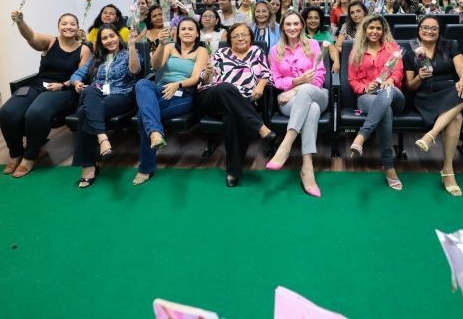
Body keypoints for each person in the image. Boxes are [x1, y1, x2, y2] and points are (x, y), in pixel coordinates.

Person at [0, 11, 91, 177]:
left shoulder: (84, 50)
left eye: (72, 24)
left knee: (36, 113)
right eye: (64, 23)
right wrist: (21, 22)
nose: (68, 27)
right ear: (58, 26)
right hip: (39, 85)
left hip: (65, 90)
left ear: (78, 27)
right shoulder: (50, 41)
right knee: (7, 113)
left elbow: (81, 75)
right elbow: (31, 37)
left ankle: (30, 155)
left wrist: (62, 85)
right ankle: (15, 153)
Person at [132, 17, 208, 185]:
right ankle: (156, 133)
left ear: (197, 34)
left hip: (183, 92)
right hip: (161, 89)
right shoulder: (169, 46)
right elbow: (156, 65)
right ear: (177, 33)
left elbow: (196, 77)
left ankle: (146, 167)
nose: (187, 32)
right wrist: (160, 44)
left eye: (191, 29)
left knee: (143, 115)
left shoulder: (201, 51)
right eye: (183, 29)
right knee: (142, 83)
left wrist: (177, 84)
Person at [198, 23, 276, 187]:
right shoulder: (220, 53)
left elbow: (266, 74)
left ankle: (233, 172)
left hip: (243, 102)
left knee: (232, 117)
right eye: (236, 36)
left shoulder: (257, 52)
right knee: (227, 87)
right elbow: (204, 80)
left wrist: (260, 86)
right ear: (230, 40)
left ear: (250, 37)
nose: (240, 38)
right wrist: (207, 73)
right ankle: (258, 126)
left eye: (244, 35)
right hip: (214, 97)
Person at [404, 16, 463, 196]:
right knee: (456, 117)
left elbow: (461, 67)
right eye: (425, 28)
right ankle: (448, 172)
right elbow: (409, 86)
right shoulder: (411, 52)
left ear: (439, 31)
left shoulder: (450, 45)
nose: (429, 31)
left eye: (434, 28)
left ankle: (432, 136)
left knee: (461, 90)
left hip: (448, 89)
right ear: (419, 30)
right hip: (424, 93)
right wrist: (419, 77)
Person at [70, 24, 142, 188]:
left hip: (120, 95)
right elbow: (77, 74)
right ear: (100, 42)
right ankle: (103, 139)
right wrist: (77, 83)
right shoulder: (96, 58)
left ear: (118, 37)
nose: (109, 40)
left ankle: (89, 166)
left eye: (112, 36)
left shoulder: (129, 54)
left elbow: (135, 71)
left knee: (83, 111)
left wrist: (131, 46)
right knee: (89, 90)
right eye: (104, 38)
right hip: (96, 95)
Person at [266, 11, 329, 197]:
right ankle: (307, 167)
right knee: (312, 109)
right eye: (288, 24)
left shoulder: (313, 45)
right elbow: (276, 81)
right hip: (290, 102)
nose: (292, 28)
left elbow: (319, 77)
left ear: (301, 25)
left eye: (296, 24)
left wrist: (296, 87)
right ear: (282, 27)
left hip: (317, 93)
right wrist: (293, 84)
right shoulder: (275, 51)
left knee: (309, 94)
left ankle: (286, 145)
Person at [347, 14, 405, 190]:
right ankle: (388, 166)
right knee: (384, 110)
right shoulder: (356, 52)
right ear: (364, 30)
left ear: (383, 30)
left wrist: (391, 80)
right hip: (368, 97)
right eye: (371, 28)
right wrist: (365, 89)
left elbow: (399, 71)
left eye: (378, 28)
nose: (374, 31)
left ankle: (362, 135)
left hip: (393, 94)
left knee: (387, 92)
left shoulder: (392, 48)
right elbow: (352, 80)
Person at [302, 5, 340, 72]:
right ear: (305, 20)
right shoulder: (300, 34)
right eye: (309, 18)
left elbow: (332, 50)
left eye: (316, 18)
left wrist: (336, 61)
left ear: (320, 20)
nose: (313, 21)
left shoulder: (325, 34)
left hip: (321, 69)